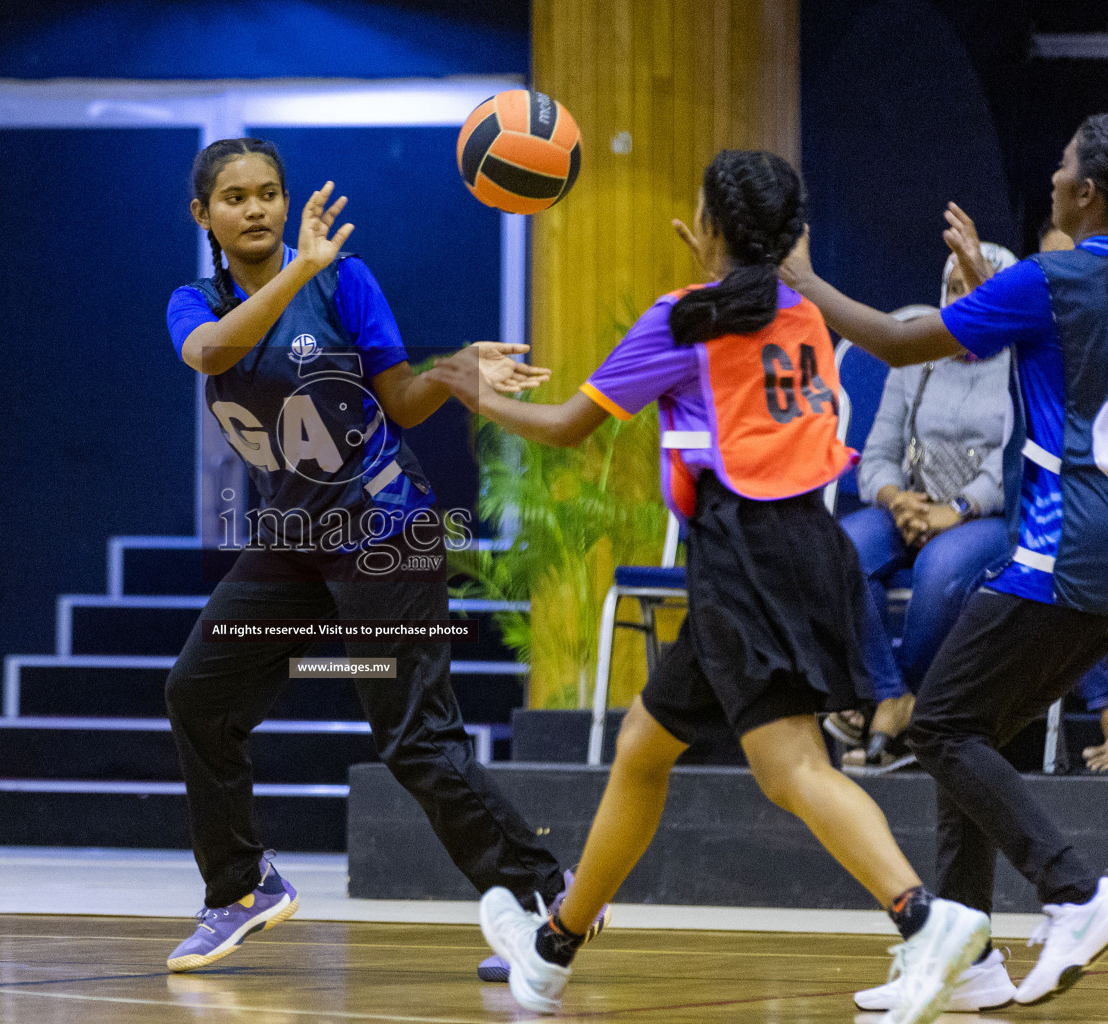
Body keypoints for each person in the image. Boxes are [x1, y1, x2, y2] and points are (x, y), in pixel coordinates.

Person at [426, 149, 988, 1023]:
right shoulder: (801, 311)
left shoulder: (681, 320)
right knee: (645, 746)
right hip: (813, 545)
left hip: (744, 557)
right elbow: (749, 325)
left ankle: (925, 919)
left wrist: (472, 389)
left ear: (713, 228)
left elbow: (570, 426)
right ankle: (554, 948)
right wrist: (726, 261)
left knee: (791, 767)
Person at [161, 137, 582, 976]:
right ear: (202, 214)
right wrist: (293, 271)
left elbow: (400, 401)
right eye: (236, 197)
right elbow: (212, 355)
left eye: (269, 193)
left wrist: (455, 371)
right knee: (198, 694)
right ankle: (242, 889)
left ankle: (550, 902)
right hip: (295, 542)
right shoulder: (194, 300)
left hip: (383, 530)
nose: (257, 209)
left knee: (417, 741)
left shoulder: (345, 280)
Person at [779, 115, 1108, 1012]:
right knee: (981, 725)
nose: (1051, 174)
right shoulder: (1060, 287)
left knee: (940, 726)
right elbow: (1020, 351)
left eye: (1063, 166)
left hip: (1057, 549)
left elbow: (893, 341)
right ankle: (966, 960)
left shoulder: (1054, 277)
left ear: (1086, 193)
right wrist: (978, 288)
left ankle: (1075, 892)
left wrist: (804, 281)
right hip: (1102, 557)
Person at [831, 247, 1016, 775]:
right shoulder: (918, 353)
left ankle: (908, 707)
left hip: (989, 517)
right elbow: (879, 453)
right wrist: (896, 498)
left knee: (938, 572)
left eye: (978, 286)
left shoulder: (1024, 359)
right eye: (955, 289)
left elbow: (1015, 460)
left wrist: (957, 509)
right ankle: (895, 697)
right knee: (842, 549)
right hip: (912, 506)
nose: (964, 300)